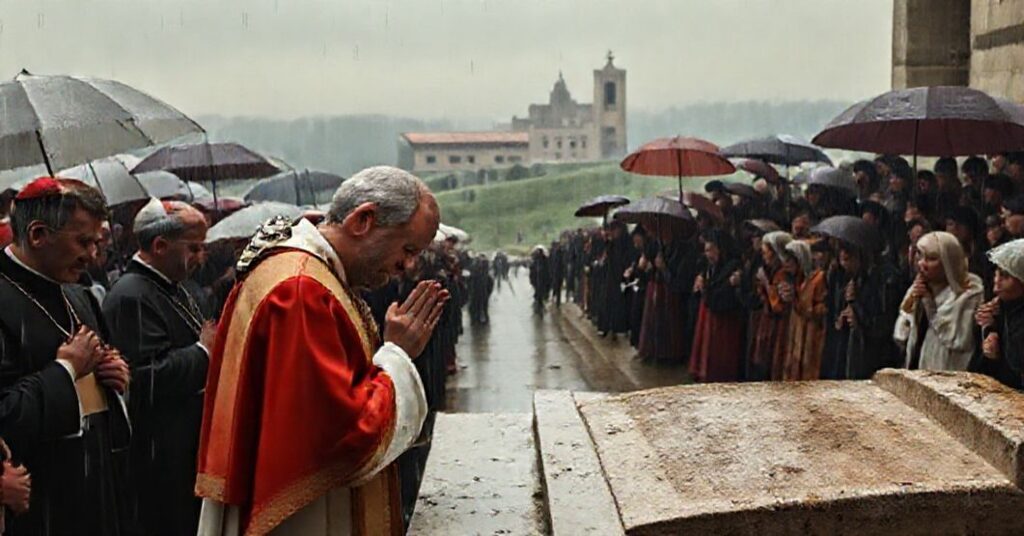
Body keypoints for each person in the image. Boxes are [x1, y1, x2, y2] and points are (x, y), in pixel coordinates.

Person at [195, 166, 447, 536]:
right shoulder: (301, 290)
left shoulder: (309, 272)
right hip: (306, 516)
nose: (407, 266)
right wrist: (396, 354)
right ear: (364, 220)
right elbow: (342, 434)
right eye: (407, 249)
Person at [0, 177, 132, 535]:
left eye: (96, 242)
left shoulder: (80, 297)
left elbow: (103, 385)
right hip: (40, 500)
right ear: (39, 234)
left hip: (97, 487)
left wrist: (114, 379)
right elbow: (5, 415)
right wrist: (66, 370)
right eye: (83, 242)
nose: (93, 256)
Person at [102, 199, 214, 535]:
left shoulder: (174, 288)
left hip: (183, 449)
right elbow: (145, 377)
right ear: (160, 245)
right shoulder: (131, 295)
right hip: (157, 457)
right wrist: (203, 351)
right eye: (193, 248)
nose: (201, 258)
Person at [895, 231, 983, 371]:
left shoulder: (969, 290)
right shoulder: (919, 286)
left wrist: (930, 304)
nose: (922, 264)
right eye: (920, 256)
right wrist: (912, 304)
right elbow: (901, 333)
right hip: (918, 363)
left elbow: (958, 339)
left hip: (948, 369)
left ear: (948, 260)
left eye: (931, 258)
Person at [688, 229, 744, 382]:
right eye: (706, 250)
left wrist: (707, 286)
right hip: (709, 312)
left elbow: (725, 290)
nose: (708, 254)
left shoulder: (732, 266)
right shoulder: (710, 266)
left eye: (710, 250)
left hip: (724, 317)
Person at [975, 238, 1024, 389]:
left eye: (1005, 276)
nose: (996, 281)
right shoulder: (1001, 308)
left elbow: (1016, 360)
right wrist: (990, 330)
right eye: (997, 274)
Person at [748, 231, 794, 380]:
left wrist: (766, 283)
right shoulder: (771, 271)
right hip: (767, 322)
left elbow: (778, 306)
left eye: (766, 252)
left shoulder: (783, 275)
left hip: (779, 327)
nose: (763, 256)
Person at [784, 240, 827, 381]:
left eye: (791, 260)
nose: (787, 264)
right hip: (796, 331)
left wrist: (804, 306)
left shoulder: (819, 278)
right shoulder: (796, 280)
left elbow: (823, 308)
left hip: (811, 334)